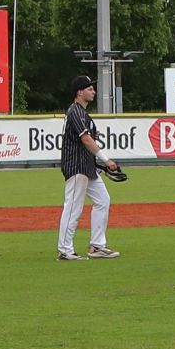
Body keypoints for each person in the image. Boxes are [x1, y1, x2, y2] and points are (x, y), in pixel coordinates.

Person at [57, 75, 121, 262]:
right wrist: (105, 159)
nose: (93, 91)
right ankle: (65, 249)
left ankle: (97, 246)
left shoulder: (83, 113)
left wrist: (98, 164)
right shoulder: (75, 111)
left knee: (103, 200)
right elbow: (85, 140)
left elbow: (86, 139)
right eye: (89, 88)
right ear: (79, 92)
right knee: (73, 208)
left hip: (87, 166)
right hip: (76, 167)